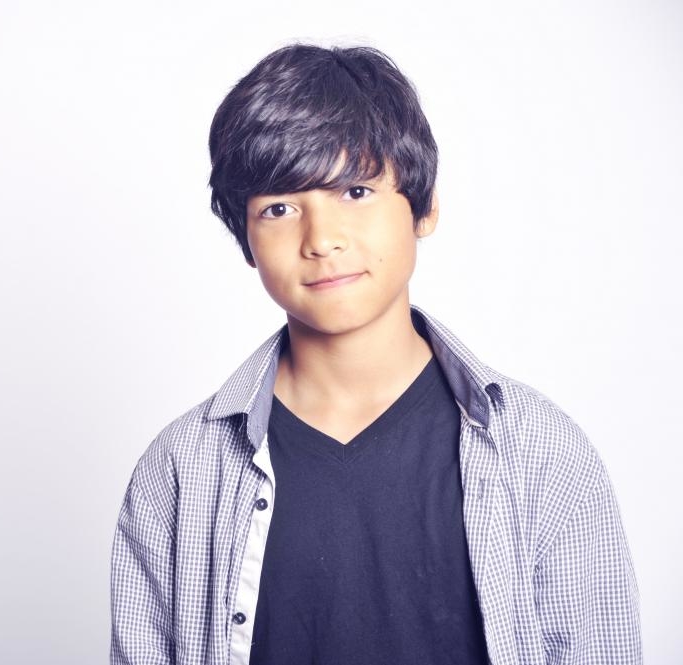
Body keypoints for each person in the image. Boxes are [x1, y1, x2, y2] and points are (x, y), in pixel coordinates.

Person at [110, 44, 642, 665]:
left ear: (425, 206)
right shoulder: (180, 471)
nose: (321, 239)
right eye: (279, 208)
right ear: (246, 241)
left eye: (356, 191)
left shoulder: (540, 452)